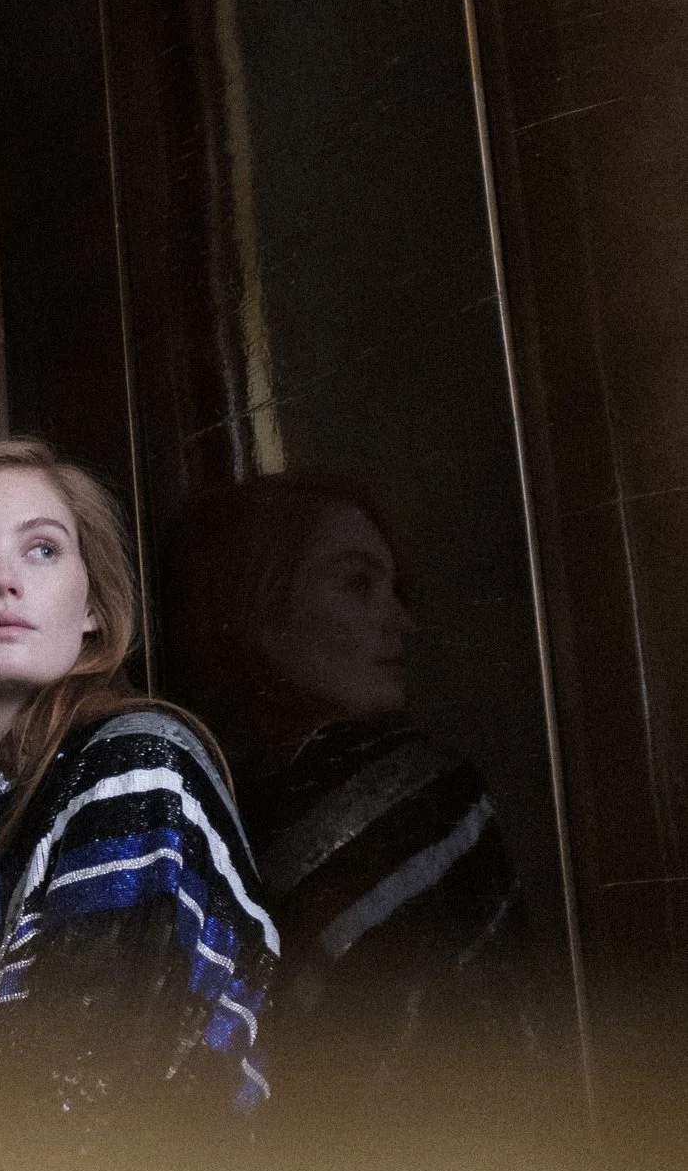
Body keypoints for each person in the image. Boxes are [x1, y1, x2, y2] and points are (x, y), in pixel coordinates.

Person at [0, 439, 277, 1141]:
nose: (2, 581)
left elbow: (93, 1109)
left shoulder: (134, 763)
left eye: (41, 549)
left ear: (93, 605)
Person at [159, 475, 539, 1129]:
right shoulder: (187, 802)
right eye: (358, 583)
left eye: (395, 590)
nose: (401, 621)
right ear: (260, 608)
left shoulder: (428, 797)